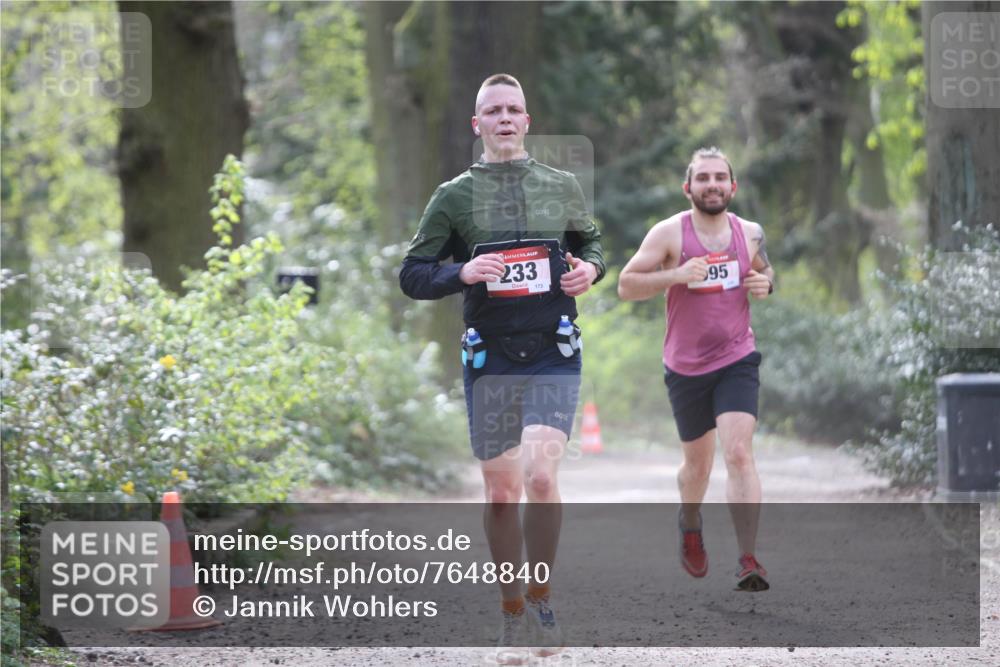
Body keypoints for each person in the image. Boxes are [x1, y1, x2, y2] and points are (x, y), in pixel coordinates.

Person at [399, 73, 605, 662]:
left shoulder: (561, 185)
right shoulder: (453, 196)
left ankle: (541, 598)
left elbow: (591, 246)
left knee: (540, 477)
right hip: (488, 354)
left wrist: (591, 270)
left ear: (527, 121)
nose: (506, 118)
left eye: (515, 109)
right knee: (500, 492)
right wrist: (459, 273)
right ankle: (511, 607)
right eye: (494, 111)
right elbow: (412, 274)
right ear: (478, 124)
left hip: (552, 350)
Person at [617, 147, 774, 592]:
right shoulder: (669, 234)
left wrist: (766, 283)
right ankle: (689, 521)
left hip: (737, 357)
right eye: (702, 178)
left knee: (739, 452)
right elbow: (627, 285)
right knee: (697, 468)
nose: (712, 185)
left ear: (732, 186)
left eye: (719, 177)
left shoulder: (750, 233)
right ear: (688, 188)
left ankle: (748, 558)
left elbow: (764, 271)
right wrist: (677, 275)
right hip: (685, 367)